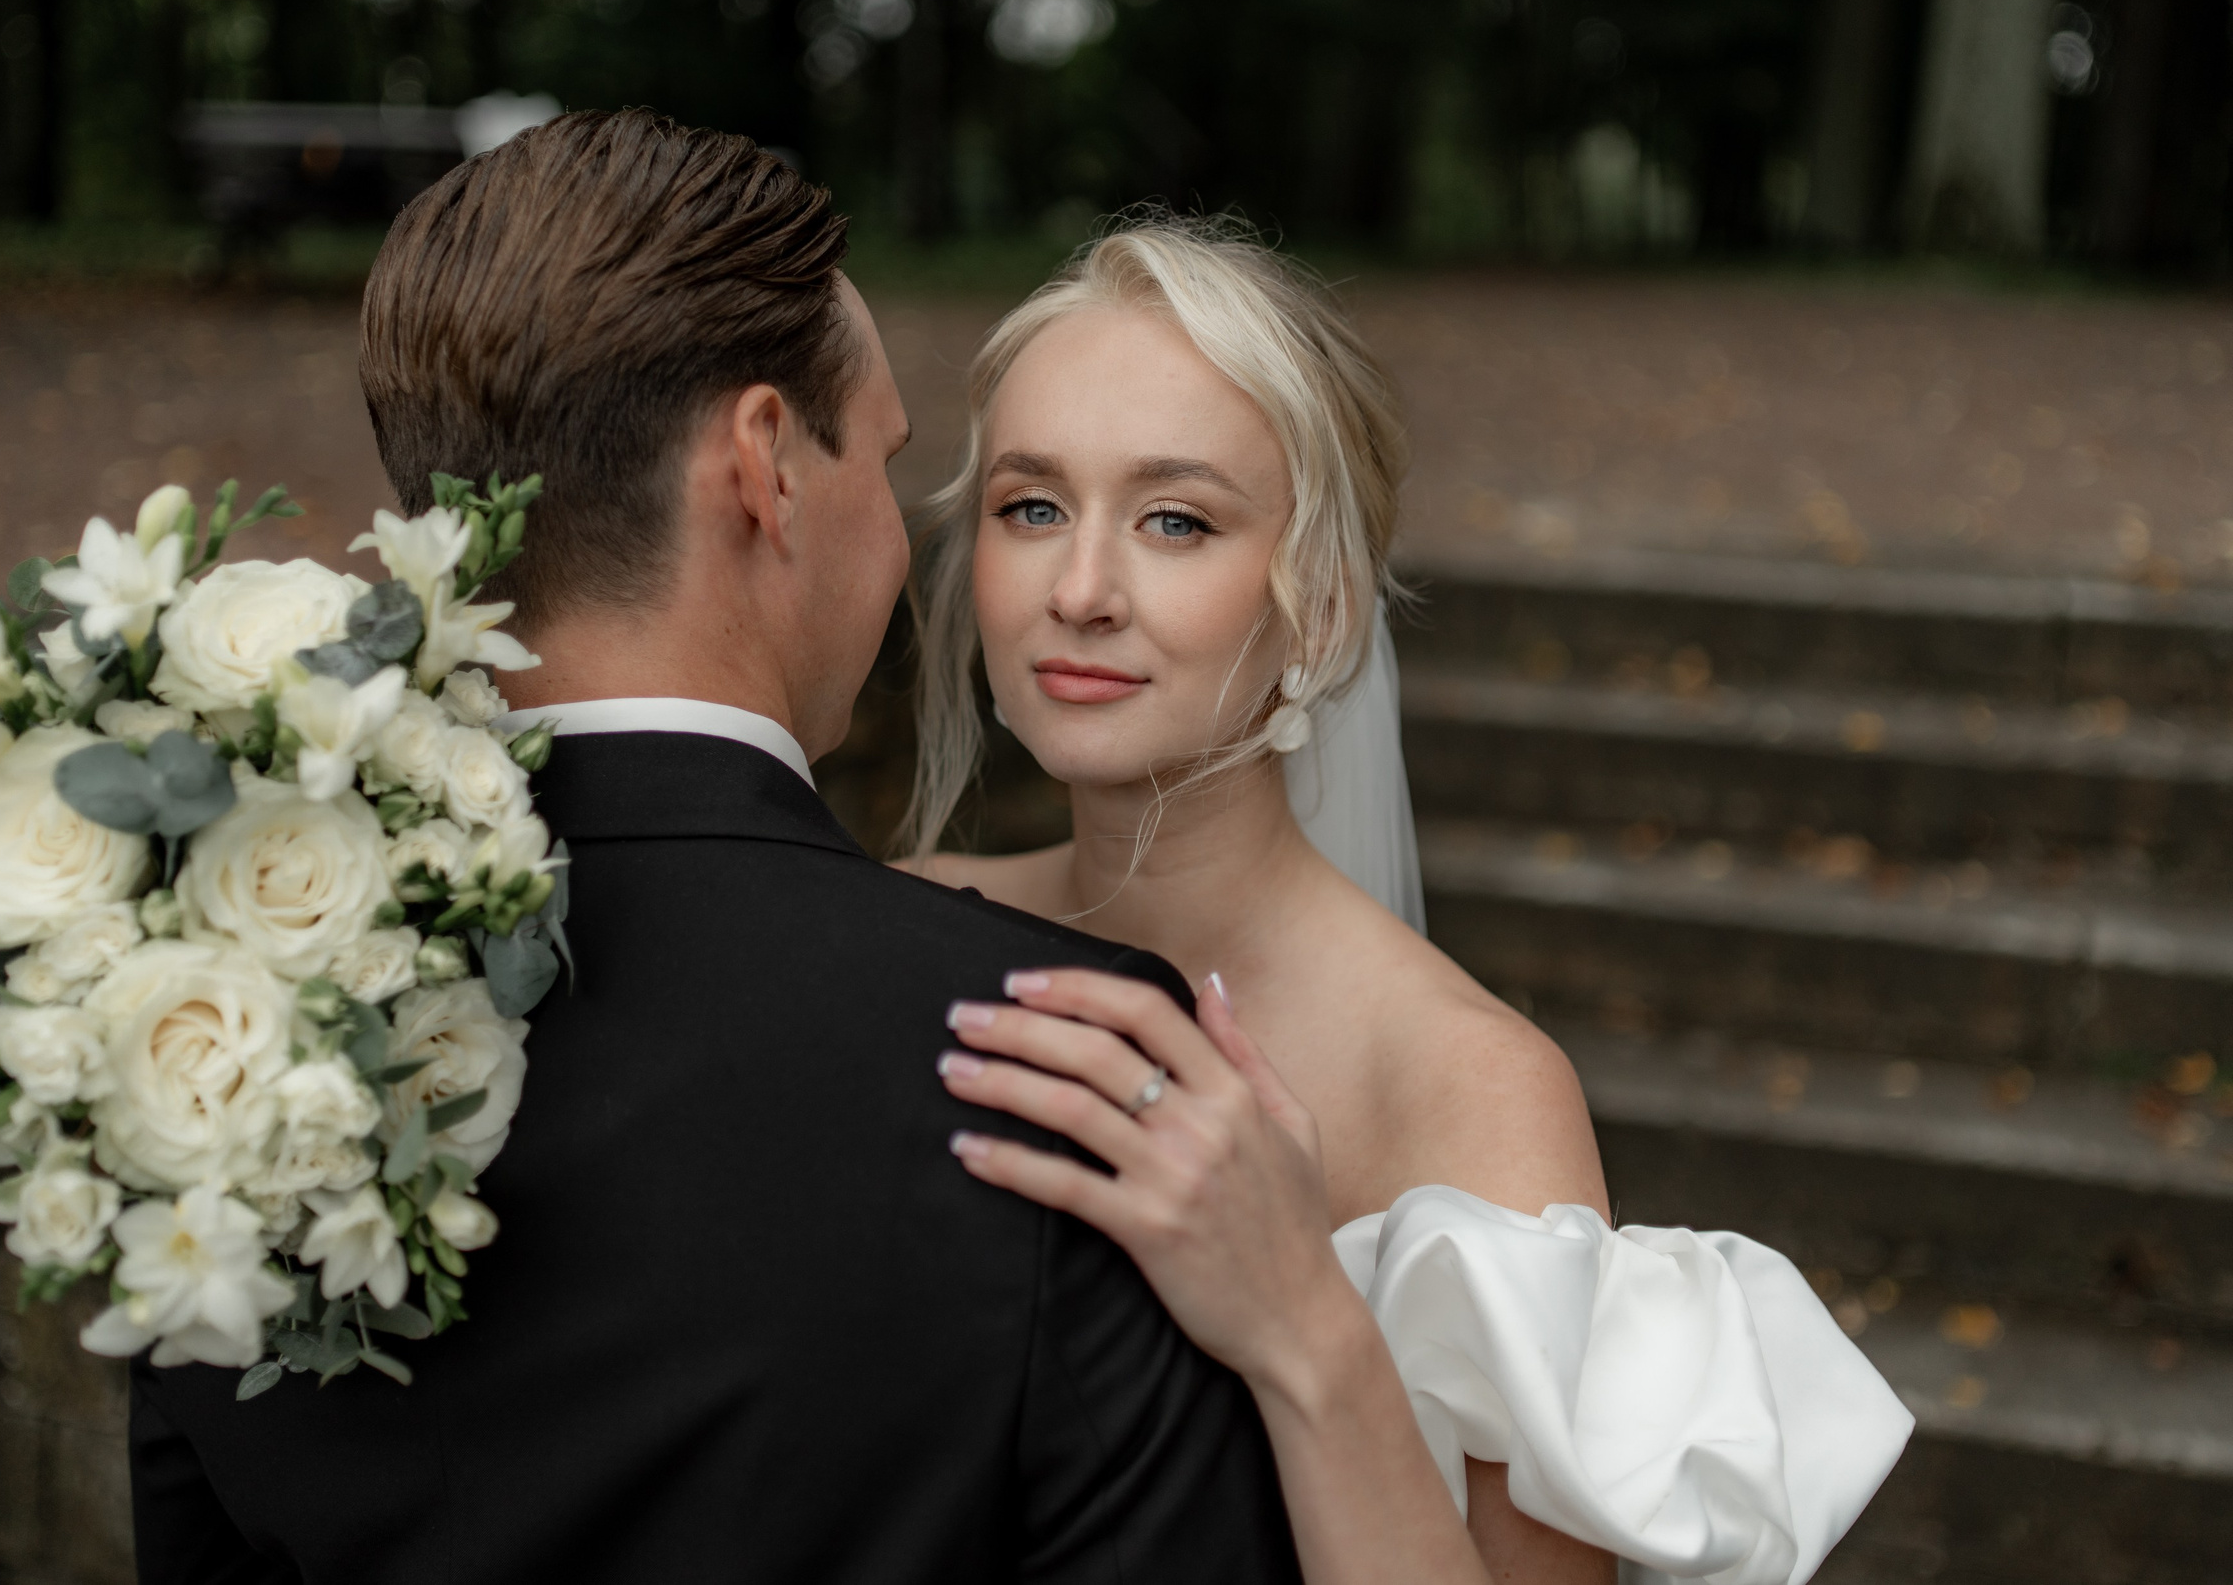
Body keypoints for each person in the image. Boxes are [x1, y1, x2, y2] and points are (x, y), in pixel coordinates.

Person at [123, 116, 1303, 1583]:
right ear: (766, 466)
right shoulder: (1061, 1070)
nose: (901, 527)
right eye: (882, 456)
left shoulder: (199, 1039)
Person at [904, 219, 1915, 1585]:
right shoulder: (903, 929)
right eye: (1033, 508)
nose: (1080, 591)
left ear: (1319, 610)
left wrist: (1301, 1321)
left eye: (1176, 520)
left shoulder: (1466, 1088)